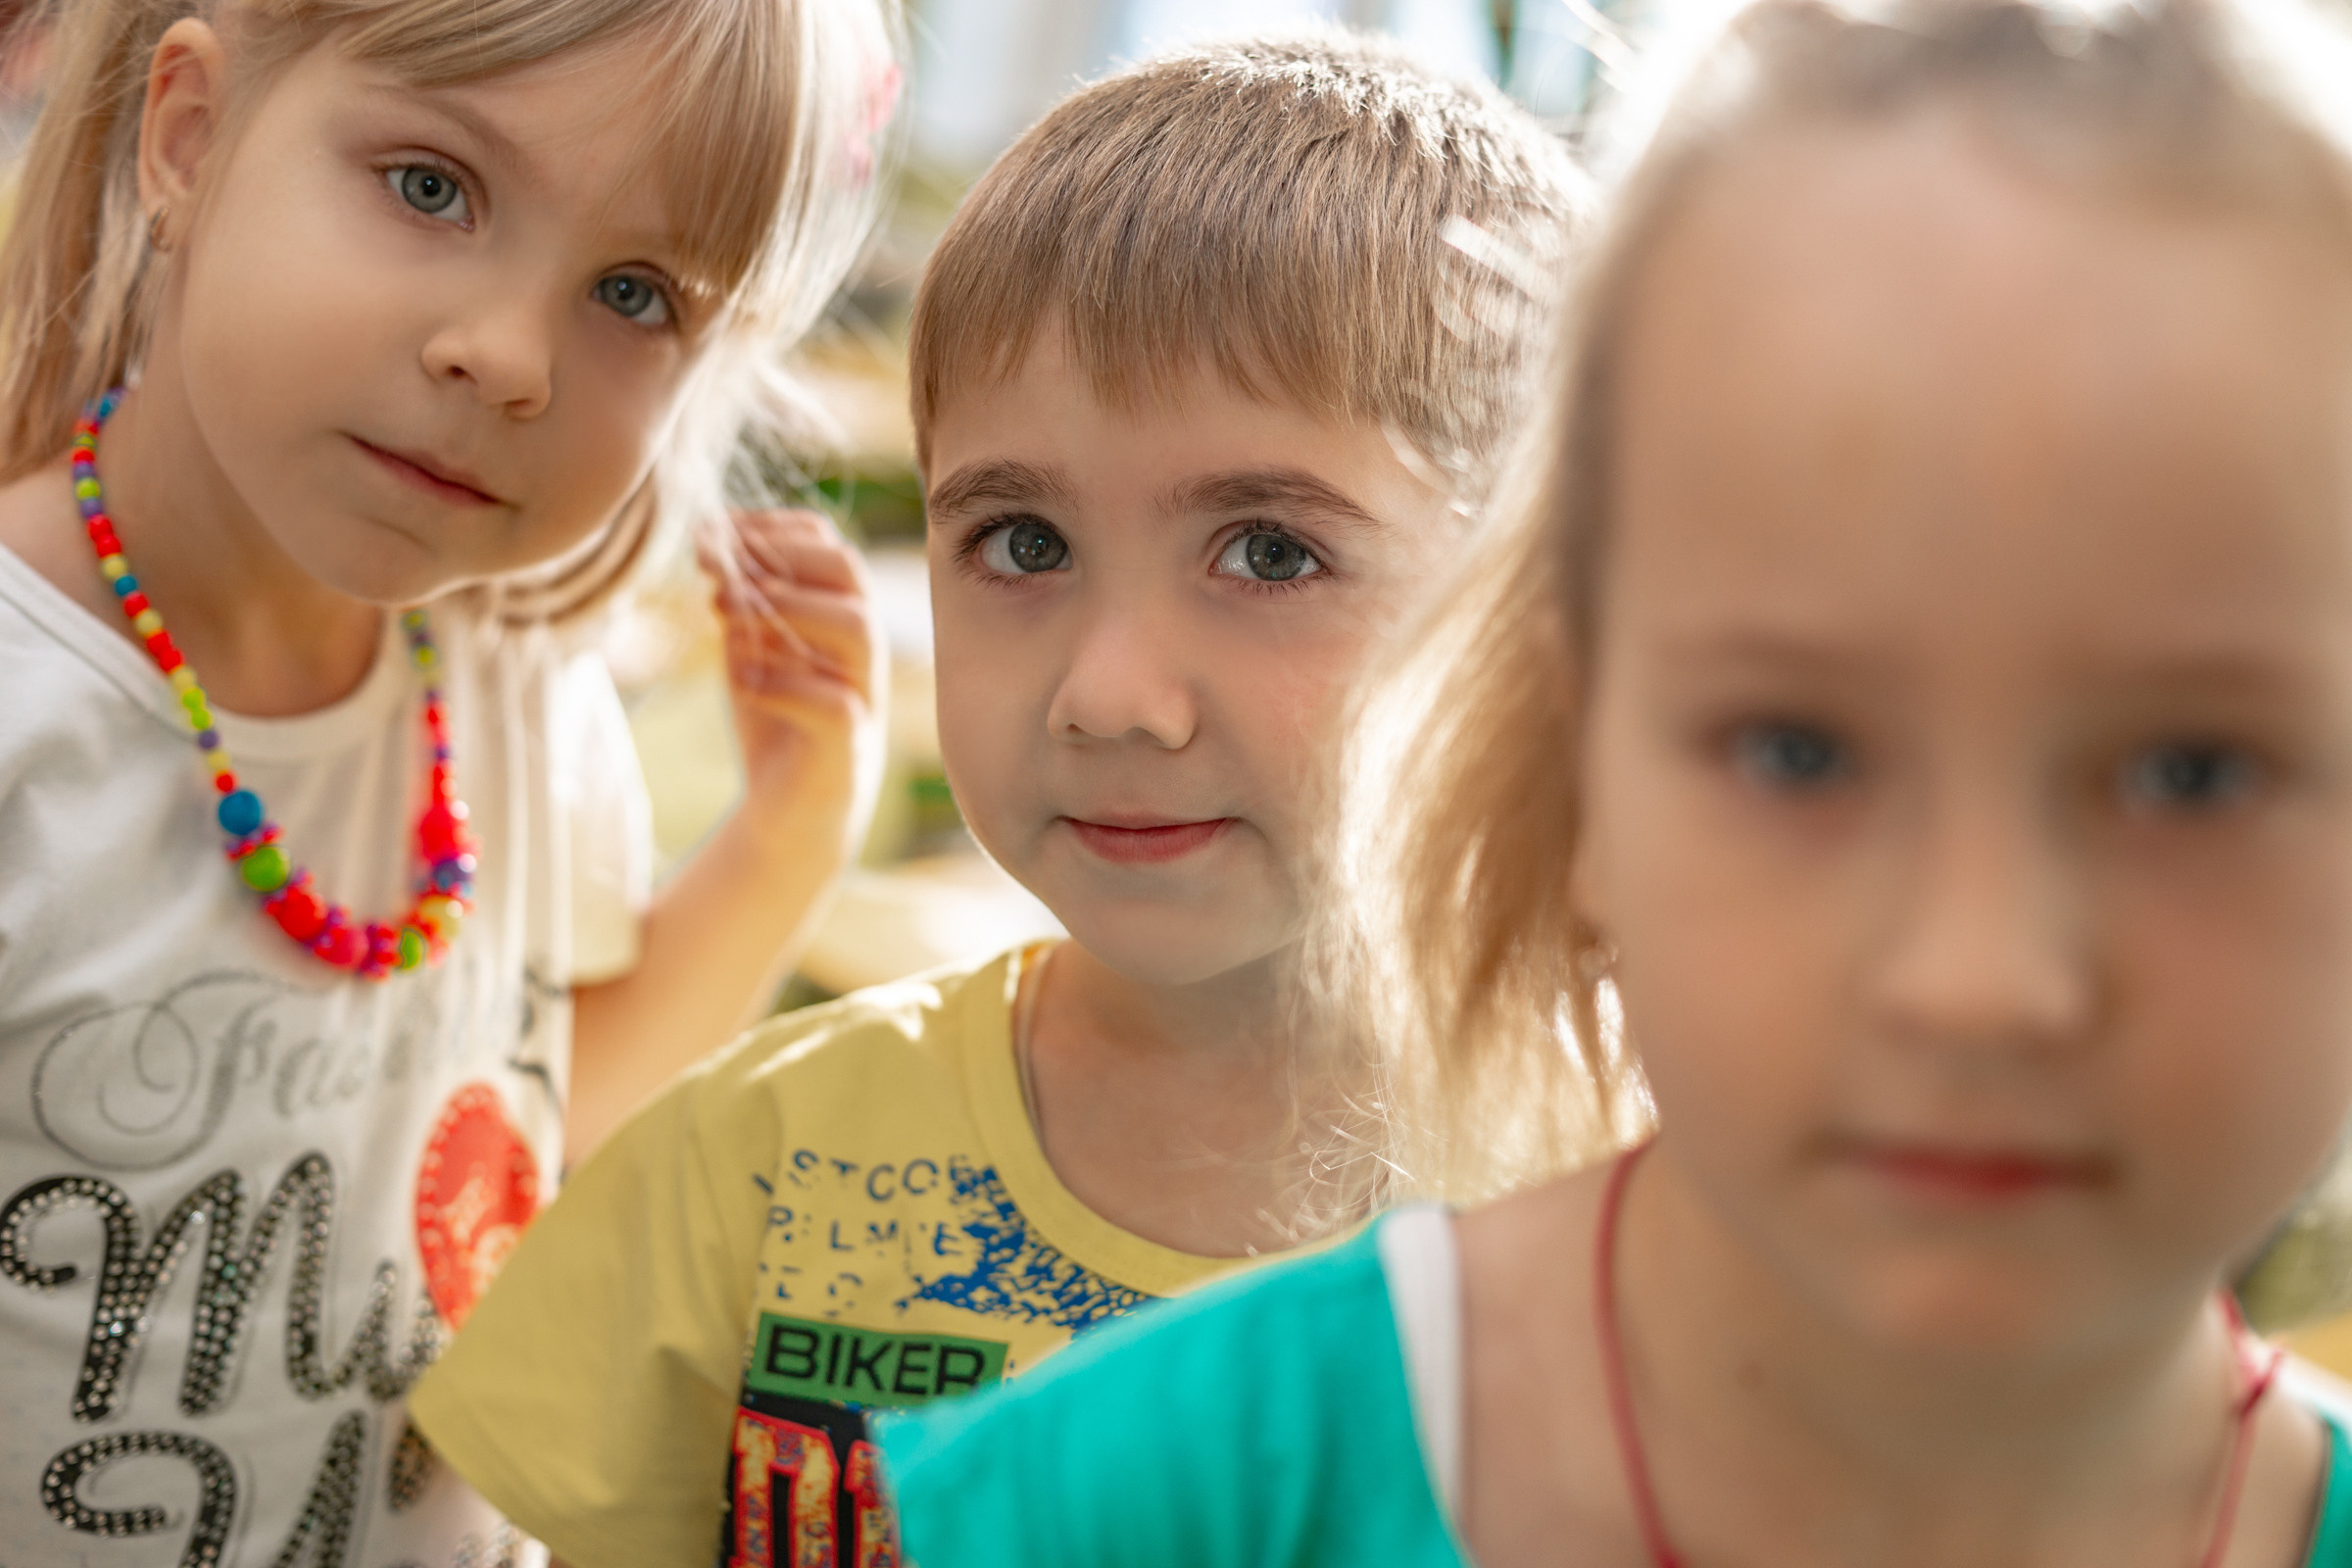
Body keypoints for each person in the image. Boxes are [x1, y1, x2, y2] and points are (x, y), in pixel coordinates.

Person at [877, 0, 2352, 1562]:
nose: (1978, 978)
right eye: (1799, 751)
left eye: (2192, 772)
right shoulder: (1113, 1512)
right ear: (1573, 769)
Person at [404, 32, 1587, 1568]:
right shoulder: (763, 1171)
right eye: (1022, 544)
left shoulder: (1645, 1215)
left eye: (1272, 552)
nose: (1108, 693)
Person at [0, 0, 895, 1561]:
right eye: (432, 186)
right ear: (189, 137)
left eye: (635, 292)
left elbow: (518, 1137)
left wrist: (786, 839)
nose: (510, 356)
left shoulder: (514, 699)